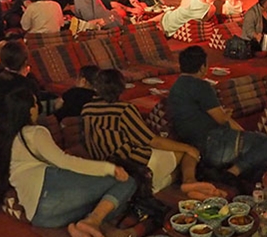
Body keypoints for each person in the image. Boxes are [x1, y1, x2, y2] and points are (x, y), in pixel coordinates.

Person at [0, 87, 137, 237]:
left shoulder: (5, 138)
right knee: (126, 183)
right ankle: (93, 221)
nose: (37, 107)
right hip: (48, 192)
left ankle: (77, 226)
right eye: (35, 104)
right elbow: (66, 162)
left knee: (107, 201)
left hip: (42, 218)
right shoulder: (34, 133)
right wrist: (109, 168)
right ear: (28, 110)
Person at [82, 68, 220, 196]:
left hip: (106, 163)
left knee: (176, 167)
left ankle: (159, 186)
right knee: (185, 152)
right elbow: (153, 141)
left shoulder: (87, 109)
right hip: (131, 163)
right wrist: (189, 148)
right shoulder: (123, 110)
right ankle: (189, 181)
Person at [168, 46, 267, 188]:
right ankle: (232, 173)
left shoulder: (176, 87)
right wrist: (226, 114)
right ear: (203, 66)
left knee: (258, 158)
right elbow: (220, 119)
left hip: (195, 142)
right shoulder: (201, 86)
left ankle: (246, 185)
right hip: (213, 143)